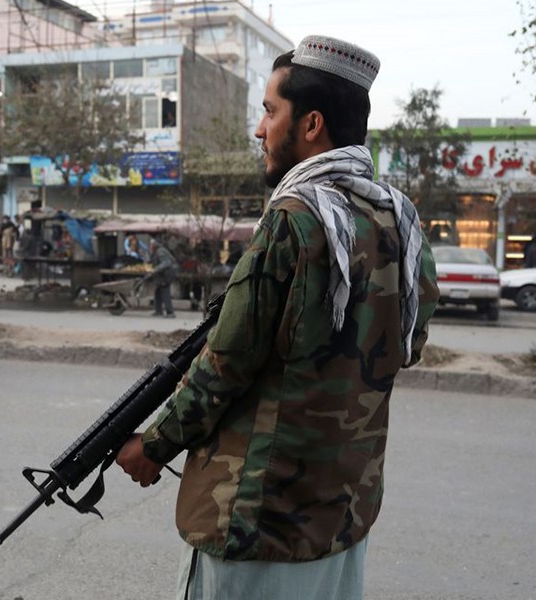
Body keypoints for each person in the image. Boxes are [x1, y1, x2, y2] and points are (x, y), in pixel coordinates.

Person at [116, 35, 439, 600]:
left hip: (259, 522)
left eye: (270, 111)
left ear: (311, 124)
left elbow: (226, 363)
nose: (260, 129)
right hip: (341, 516)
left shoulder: (294, 220)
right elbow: (406, 345)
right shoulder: (397, 221)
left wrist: (155, 445)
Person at [148, 237, 177, 318]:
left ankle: (170, 312)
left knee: (165, 292)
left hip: (166, 274)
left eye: (151, 245)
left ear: (154, 245)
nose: (150, 246)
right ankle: (158, 311)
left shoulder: (161, 251)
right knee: (158, 291)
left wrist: (156, 269)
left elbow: (166, 263)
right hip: (162, 275)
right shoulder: (156, 252)